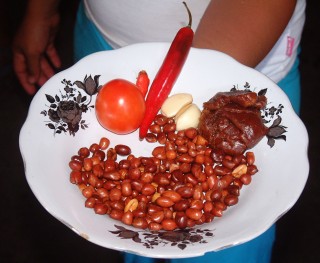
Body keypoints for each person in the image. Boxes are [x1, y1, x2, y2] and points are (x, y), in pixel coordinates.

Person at [12, 0, 306, 262]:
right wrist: (41, 12)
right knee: (136, 244)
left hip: (244, 60)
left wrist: (201, 78)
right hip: (102, 41)